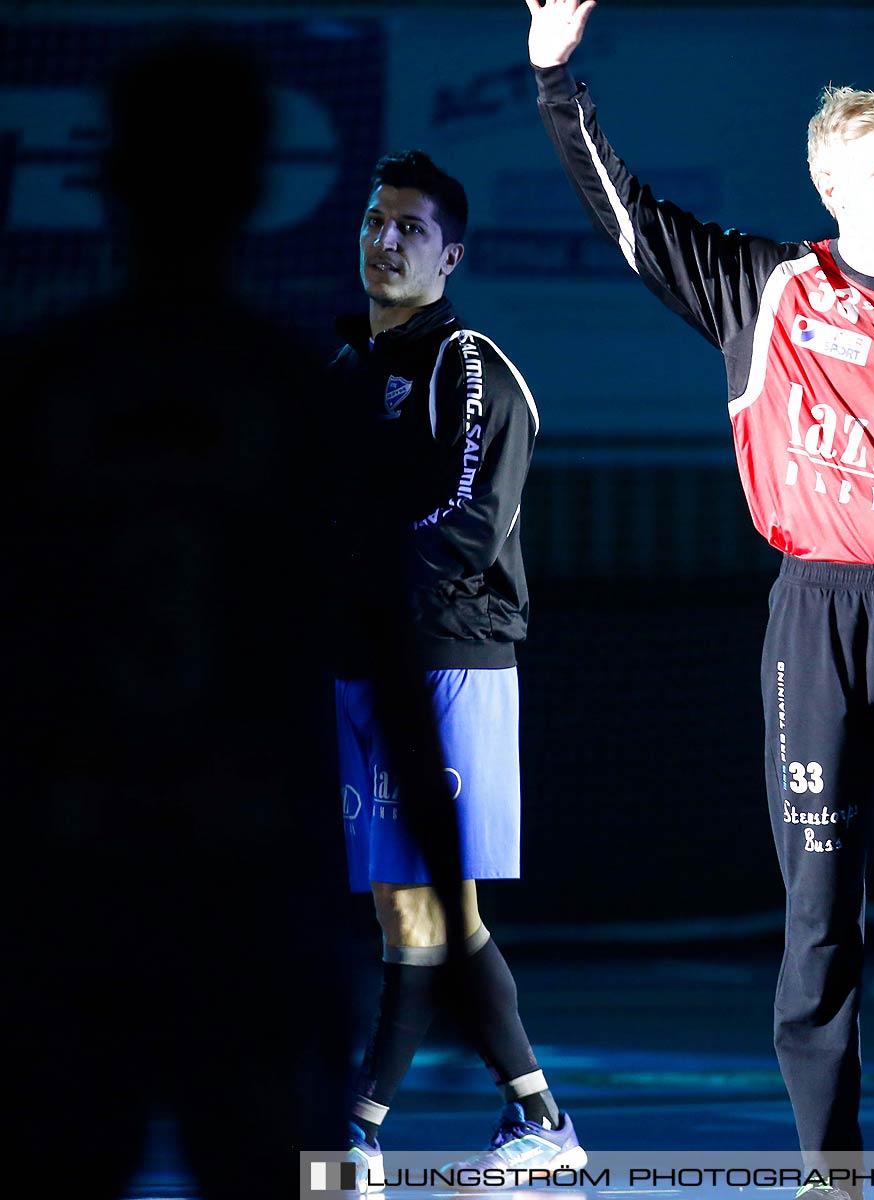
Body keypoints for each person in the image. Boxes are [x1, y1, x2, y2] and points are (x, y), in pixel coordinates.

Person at [526, 2, 874, 1196]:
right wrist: (560, 81)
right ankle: (832, 1168)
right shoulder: (761, 290)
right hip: (818, 621)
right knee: (820, 911)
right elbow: (628, 217)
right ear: (827, 184)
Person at [9, 35, 453, 1200]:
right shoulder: (297, 401)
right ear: (261, 186)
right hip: (247, 887)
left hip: (75, 881)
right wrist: (442, 898)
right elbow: (390, 664)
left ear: (106, 177)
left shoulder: (45, 385)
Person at [330, 148, 583, 1189]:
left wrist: (364, 578)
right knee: (407, 912)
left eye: (411, 228)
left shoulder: (467, 361)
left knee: (446, 906)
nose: (386, 240)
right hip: (358, 662)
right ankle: (535, 1119)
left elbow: (469, 519)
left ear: (452, 255)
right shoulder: (344, 367)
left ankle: (360, 1129)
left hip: (448, 657)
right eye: (376, 221)